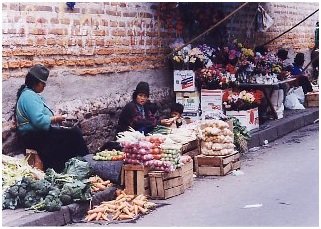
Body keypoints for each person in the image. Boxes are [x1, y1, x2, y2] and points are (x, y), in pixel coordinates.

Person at [15, 64, 89, 172]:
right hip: (33, 137)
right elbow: (39, 121)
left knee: (70, 133)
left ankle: (78, 165)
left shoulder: (30, 94)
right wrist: (54, 119)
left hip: (38, 133)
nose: (44, 86)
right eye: (43, 84)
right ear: (35, 83)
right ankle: (84, 164)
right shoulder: (28, 97)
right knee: (74, 134)